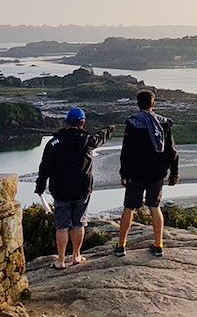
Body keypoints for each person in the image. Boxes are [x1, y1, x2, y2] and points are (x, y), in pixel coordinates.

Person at [35, 107, 114, 270]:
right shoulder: (87, 140)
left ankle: (61, 260)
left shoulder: (53, 143)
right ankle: (76, 256)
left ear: (66, 122)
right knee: (79, 223)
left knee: (62, 225)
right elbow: (100, 137)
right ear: (82, 123)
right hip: (82, 190)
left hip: (60, 191)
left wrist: (40, 186)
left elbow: (45, 168)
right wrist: (110, 128)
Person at [116, 90, 179, 258]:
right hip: (157, 173)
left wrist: (124, 173)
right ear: (154, 103)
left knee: (129, 208)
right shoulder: (164, 123)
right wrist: (174, 173)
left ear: (138, 103)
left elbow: (126, 152)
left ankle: (121, 246)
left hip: (136, 173)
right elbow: (172, 151)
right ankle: (158, 245)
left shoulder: (133, 123)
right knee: (155, 207)